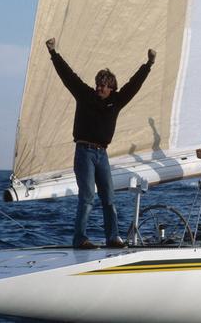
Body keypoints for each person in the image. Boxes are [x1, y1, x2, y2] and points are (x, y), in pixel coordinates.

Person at [45, 37, 156, 249]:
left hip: (102, 154)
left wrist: (148, 64)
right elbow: (68, 76)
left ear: (112, 88)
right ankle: (80, 239)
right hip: (84, 152)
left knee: (109, 198)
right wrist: (53, 53)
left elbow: (134, 85)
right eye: (98, 84)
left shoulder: (117, 100)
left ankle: (112, 237)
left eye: (104, 85)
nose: (99, 87)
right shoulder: (85, 94)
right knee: (87, 198)